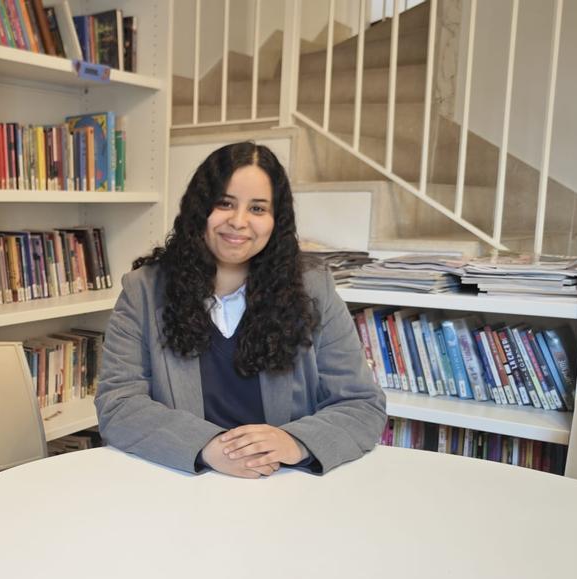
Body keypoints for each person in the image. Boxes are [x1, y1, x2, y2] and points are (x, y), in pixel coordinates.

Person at [95, 141, 385, 477]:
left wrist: (294, 442)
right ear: (199, 208)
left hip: (283, 486)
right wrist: (207, 446)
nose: (239, 221)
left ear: (277, 220)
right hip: (181, 483)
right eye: (224, 203)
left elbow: (362, 404)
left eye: (258, 209)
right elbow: (118, 405)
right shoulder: (143, 290)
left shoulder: (313, 288)